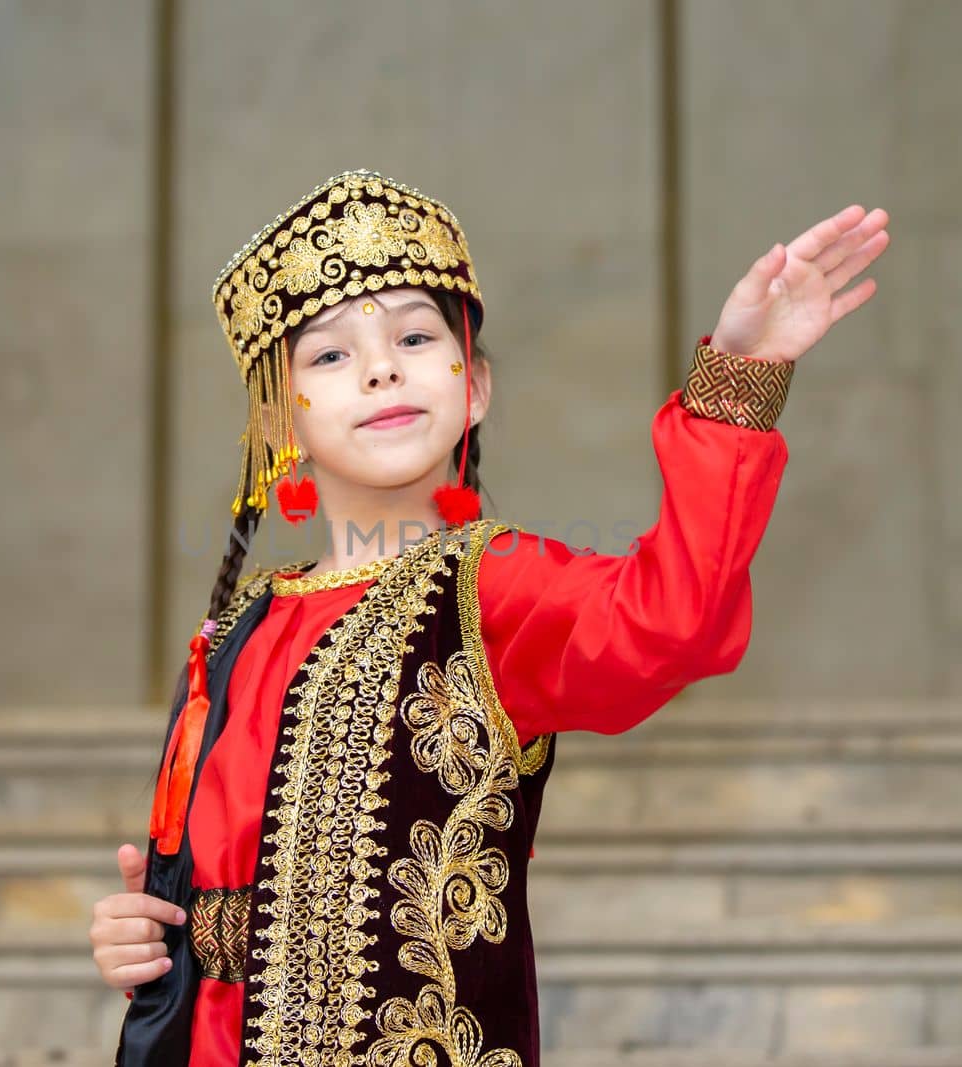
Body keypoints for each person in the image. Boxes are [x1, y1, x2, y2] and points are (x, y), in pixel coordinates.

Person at [89, 168, 890, 1066]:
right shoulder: (237, 629)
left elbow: (674, 619)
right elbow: (206, 890)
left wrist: (742, 375)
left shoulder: (491, 589)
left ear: (473, 389)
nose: (381, 365)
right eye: (329, 354)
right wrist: (154, 940)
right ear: (281, 422)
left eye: (416, 335)